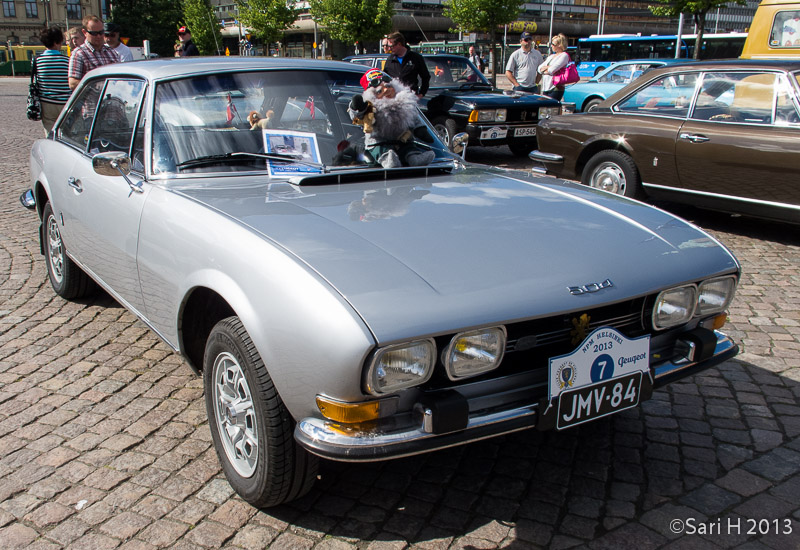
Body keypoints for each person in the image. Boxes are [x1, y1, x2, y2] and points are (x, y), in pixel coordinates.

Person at [68, 15, 122, 89]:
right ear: (84, 32)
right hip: (91, 100)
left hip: (112, 98)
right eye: (94, 33)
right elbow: (73, 83)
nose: (99, 36)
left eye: (101, 32)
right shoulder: (79, 54)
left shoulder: (112, 52)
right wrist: (96, 86)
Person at [34, 27, 71, 134]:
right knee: (66, 133)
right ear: (57, 42)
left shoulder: (38, 61)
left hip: (47, 102)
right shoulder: (66, 61)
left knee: (50, 133)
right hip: (65, 101)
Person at [383, 32, 430, 99]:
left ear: (399, 44)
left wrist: (422, 94)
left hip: (410, 98)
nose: (389, 49)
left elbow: (426, 77)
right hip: (394, 99)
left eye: (391, 46)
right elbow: (385, 77)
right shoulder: (390, 59)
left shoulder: (416, 58)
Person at [537, 33, 571, 101]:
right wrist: (547, 68)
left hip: (556, 88)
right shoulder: (551, 56)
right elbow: (539, 68)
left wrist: (547, 68)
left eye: (553, 44)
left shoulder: (564, 55)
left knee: (551, 108)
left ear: (559, 45)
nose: (551, 46)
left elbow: (552, 70)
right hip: (546, 88)